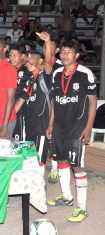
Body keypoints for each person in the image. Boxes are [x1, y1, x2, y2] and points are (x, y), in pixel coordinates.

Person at [46, 40, 97, 223]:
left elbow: (92, 102)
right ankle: (67, 197)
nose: (65, 55)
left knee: (77, 166)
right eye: (63, 52)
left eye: (70, 52)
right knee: (61, 160)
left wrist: (88, 127)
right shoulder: (56, 74)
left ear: (77, 55)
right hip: (59, 126)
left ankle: (82, 208)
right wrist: (51, 123)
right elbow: (54, 100)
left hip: (77, 127)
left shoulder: (86, 74)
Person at [14, 32, 53, 176]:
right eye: (27, 59)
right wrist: (5, 122)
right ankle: (32, 185)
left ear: (40, 61)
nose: (28, 61)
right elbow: (20, 102)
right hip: (30, 125)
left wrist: (47, 42)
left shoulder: (45, 76)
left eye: (32, 59)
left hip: (42, 126)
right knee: (31, 157)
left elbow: (48, 60)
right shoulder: (30, 81)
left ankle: (39, 188)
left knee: (40, 160)